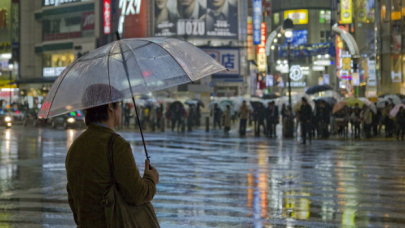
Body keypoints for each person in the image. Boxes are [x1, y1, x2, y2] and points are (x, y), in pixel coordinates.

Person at [66, 84, 159, 227]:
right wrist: (150, 179)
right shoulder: (116, 145)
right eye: (119, 104)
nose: (121, 109)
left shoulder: (75, 147)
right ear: (110, 106)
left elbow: (73, 198)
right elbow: (137, 194)